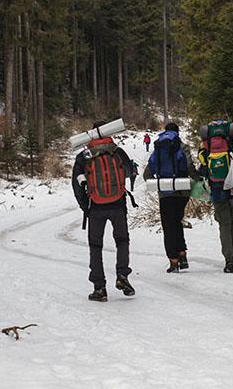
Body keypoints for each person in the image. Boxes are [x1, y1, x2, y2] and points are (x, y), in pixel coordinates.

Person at [72, 122, 138, 301]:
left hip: (96, 207)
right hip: (117, 204)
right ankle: (122, 276)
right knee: (122, 240)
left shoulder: (84, 155)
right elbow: (129, 172)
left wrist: (85, 205)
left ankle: (99, 288)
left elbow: (76, 184)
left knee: (96, 246)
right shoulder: (116, 151)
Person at [144, 122, 199, 272]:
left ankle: (174, 261)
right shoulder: (182, 146)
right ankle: (182, 254)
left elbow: (147, 173)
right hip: (182, 191)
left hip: (165, 192)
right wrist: (197, 179)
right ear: (177, 132)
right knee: (177, 221)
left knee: (168, 226)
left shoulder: (159, 147)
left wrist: (156, 182)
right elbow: (189, 166)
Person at [198, 120, 233, 273]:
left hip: (217, 188)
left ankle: (228, 260)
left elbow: (203, 162)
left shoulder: (206, 145)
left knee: (224, 225)